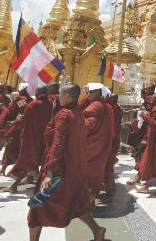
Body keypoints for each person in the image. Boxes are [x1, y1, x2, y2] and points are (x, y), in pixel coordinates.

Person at [27, 83, 105, 240]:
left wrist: (49, 172)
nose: (58, 97)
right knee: (75, 203)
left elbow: (58, 144)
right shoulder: (77, 113)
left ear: (68, 96)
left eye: (60, 94)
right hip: (73, 167)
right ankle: (97, 230)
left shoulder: (64, 115)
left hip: (59, 168)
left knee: (39, 206)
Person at [2, 85, 53, 192]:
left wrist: (9, 132)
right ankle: (14, 186)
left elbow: (21, 117)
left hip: (30, 135)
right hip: (44, 135)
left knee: (26, 160)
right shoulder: (51, 103)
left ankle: (42, 183)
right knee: (26, 160)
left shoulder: (29, 103)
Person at [0, 83, 33, 176]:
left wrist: (3, 109)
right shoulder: (30, 100)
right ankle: (4, 168)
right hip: (21, 127)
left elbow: (14, 111)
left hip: (15, 127)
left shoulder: (22, 100)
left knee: (9, 146)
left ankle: (9, 169)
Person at [83, 83, 113, 210]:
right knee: (95, 173)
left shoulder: (93, 107)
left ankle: (86, 202)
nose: (87, 95)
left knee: (86, 173)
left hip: (91, 146)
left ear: (97, 93)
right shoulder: (105, 106)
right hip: (102, 144)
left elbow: (89, 124)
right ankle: (90, 203)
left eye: (90, 92)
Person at [99, 93, 124, 201]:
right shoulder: (117, 107)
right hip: (115, 138)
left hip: (110, 139)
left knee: (106, 165)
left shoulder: (109, 107)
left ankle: (109, 190)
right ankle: (112, 184)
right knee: (109, 164)